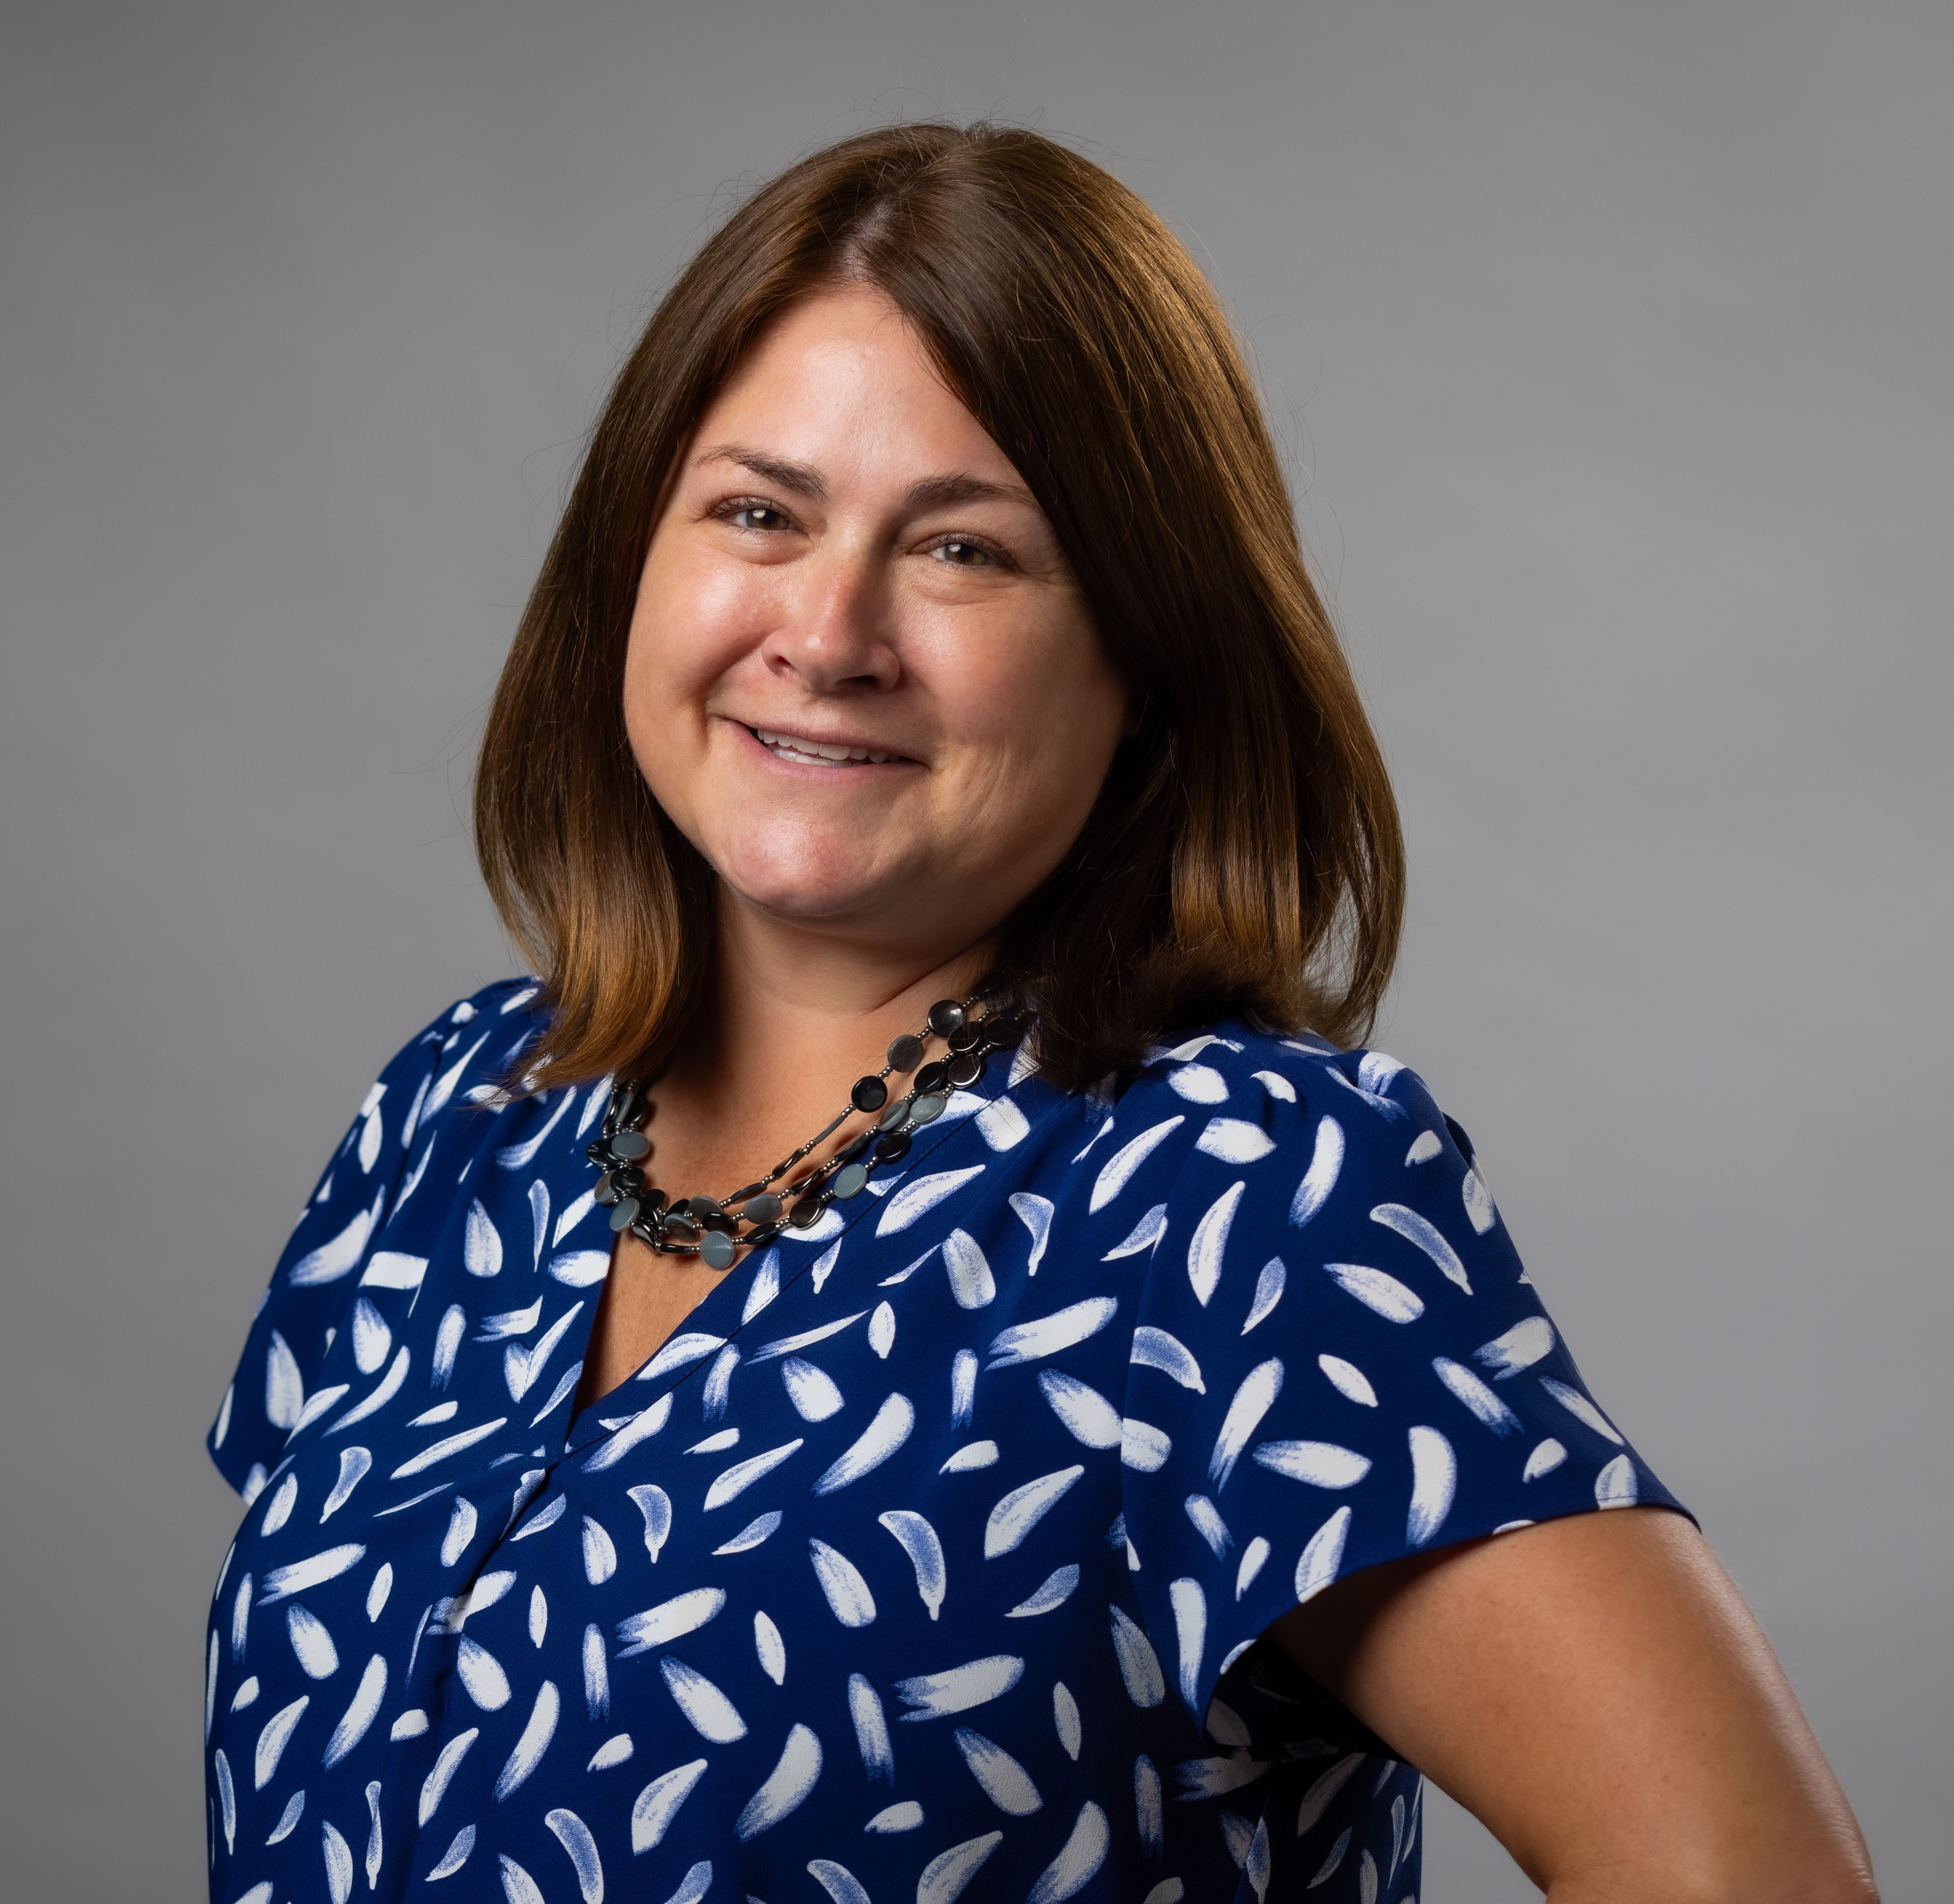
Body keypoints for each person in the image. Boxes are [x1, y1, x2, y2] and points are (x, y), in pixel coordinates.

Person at [203, 123, 1877, 1904]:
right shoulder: (457, 1118)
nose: (829, 629)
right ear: (635, 556)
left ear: (1145, 657)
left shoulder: (1239, 1200)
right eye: (759, 512)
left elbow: (1744, 1868)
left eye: (965, 552)